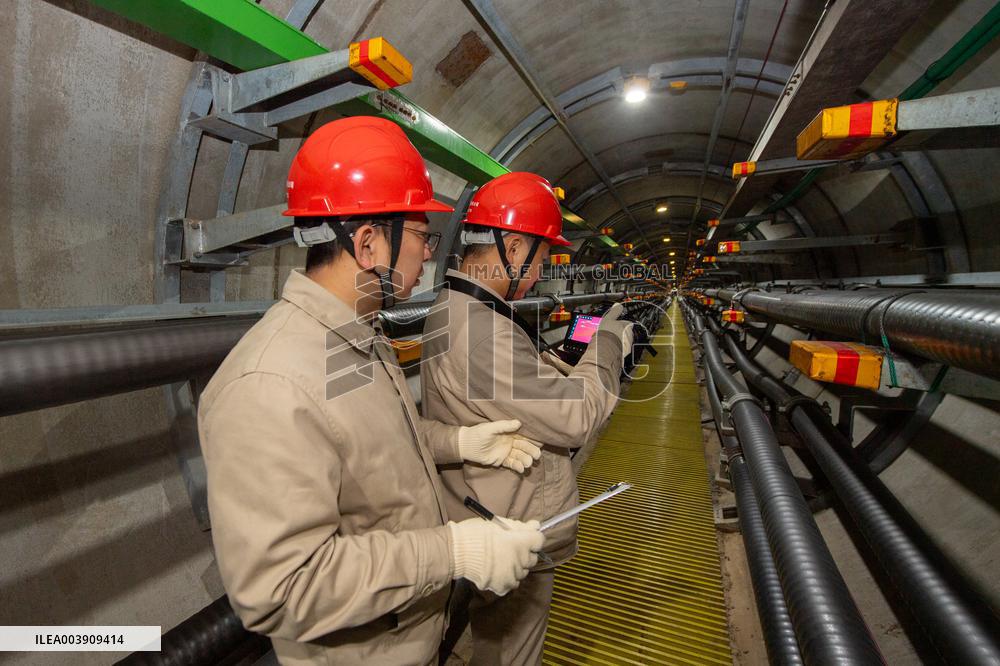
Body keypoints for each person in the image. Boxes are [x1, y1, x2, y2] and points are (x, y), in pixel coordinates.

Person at [197, 118, 545, 666]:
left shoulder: (357, 334)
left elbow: (372, 445)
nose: (428, 254)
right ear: (367, 243)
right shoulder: (268, 386)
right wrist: (452, 552)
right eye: (419, 236)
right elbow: (283, 588)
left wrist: (461, 443)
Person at [420, 172, 635, 665]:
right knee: (510, 648)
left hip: (479, 503)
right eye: (539, 259)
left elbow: (503, 391)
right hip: (511, 519)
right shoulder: (484, 334)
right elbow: (577, 417)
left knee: (493, 635)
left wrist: (551, 366)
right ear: (513, 249)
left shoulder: (451, 309)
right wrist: (606, 343)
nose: (539, 273)